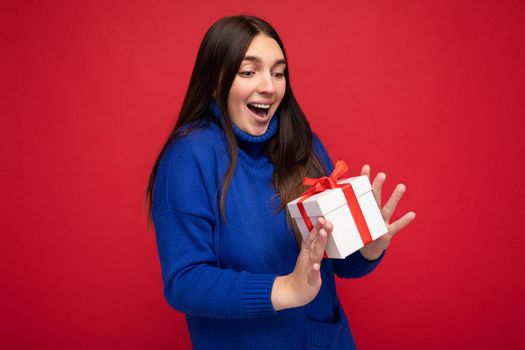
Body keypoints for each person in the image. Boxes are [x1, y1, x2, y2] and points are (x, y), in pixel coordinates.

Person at [146, 14, 415, 350]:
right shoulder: (188, 157)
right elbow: (184, 281)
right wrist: (287, 289)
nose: (270, 87)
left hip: (326, 340)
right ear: (216, 81)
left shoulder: (306, 146)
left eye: (278, 72)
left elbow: (338, 262)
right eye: (248, 71)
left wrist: (368, 248)